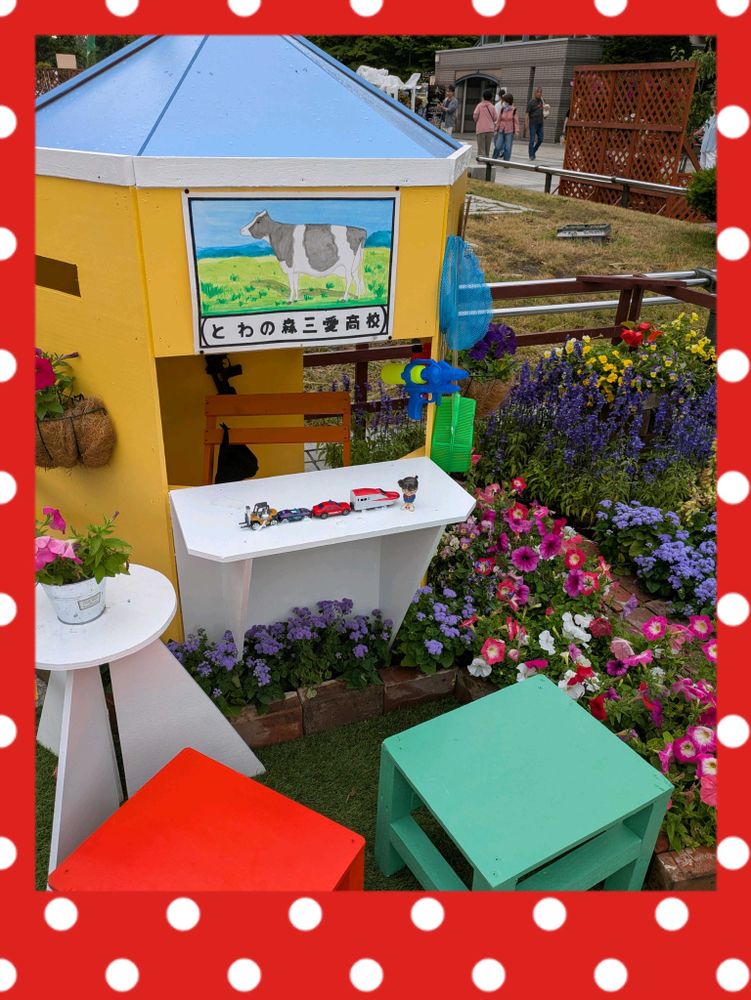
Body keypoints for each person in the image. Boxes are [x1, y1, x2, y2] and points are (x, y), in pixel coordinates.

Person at [473, 87, 498, 161]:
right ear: (491, 98)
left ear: (483, 97)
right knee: (487, 148)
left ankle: (481, 162)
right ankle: (486, 161)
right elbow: (495, 118)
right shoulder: (492, 107)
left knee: (481, 148)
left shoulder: (479, 106)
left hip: (481, 129)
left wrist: (478, 121)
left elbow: (475, 116)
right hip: (490, 130)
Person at [493, 93, 519, 161]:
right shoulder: (502, 109)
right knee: (498, 146)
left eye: (505, 101)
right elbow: (499, 119)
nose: (504, 102)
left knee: (508, 148)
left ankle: (506, 162)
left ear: (509, 101)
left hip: (509, 131)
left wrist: (517, 130)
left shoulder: (514, 110)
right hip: (501, 130)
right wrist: (496, 129)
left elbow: (516, 121)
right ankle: (493, 160)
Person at [694, 94, 717, 169]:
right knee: (702, 168)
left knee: (709, 169)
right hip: (704, 147)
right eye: (713, 106)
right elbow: (703, 128)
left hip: (713, 149)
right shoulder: (711, 118)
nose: (714, 108)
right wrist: (693, 134)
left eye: (715, 106)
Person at [525, 87, 548, 161]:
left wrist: (546, 114)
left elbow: (545, 110)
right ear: (535, 93)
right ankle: (531, 155)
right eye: (538, 92)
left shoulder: (542, 101)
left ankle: (533, 151)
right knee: (532, 140)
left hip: (540, 123)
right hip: (533, 123)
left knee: (541, 139)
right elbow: (527, 113)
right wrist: (526, 123)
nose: (539, 93)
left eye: (541, 92)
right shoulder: (531, 102)